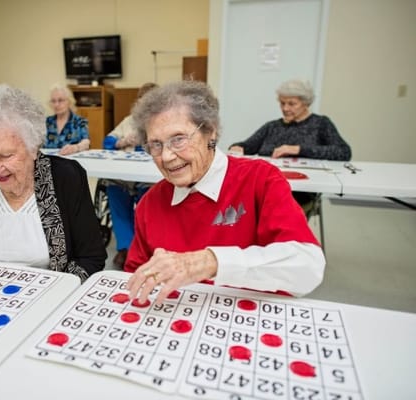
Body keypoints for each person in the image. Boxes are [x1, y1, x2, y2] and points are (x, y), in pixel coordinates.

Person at [125, 80, 325, 305]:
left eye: (178, 139)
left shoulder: (260, 179)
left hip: (251, 321)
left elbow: (308, 267)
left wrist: (211, 262)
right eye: (156, 145)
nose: (167, 156)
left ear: (210, 132)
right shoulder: (150, 203)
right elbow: (134, 277)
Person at [0, 84, 106, 281]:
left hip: (47, 299)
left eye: (5, 155)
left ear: (33, 146)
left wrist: (53, 293)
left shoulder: (67, 178)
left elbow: (91, 258)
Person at [229, 79, 351, 209]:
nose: (285, 108)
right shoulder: (272, 126)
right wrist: (238, 147)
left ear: (305, 103)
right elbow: (248, 146)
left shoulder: (321, 124)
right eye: (282, 103)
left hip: (300, 194)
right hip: (266, 188)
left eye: (292, 104)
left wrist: (298, 149)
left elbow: (343, 152)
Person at [102, 82, 158, 268]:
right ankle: (125, 248)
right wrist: (122, 141)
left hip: (149, 178)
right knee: (114, 188)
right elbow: (108, 141)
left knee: (147, 202)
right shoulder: (129, 121)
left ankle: (143, 248)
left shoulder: (162, 121)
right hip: (124, 176)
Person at [45, 84, 90, 155]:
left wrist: (76, 147)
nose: (56, 104)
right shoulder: (47, 122)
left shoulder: (80, 121)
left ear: (69, 101)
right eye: (53, 101)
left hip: (71, 162)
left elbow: (86, 142)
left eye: (60, 100)